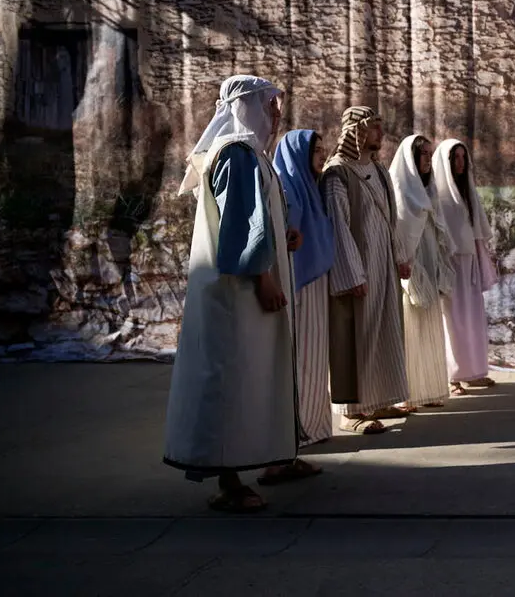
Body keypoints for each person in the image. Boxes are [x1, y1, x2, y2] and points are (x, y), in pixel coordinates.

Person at [164, 75, 319, 513]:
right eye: (270, 104)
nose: (277, 112)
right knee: (232, 377)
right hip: (238, 295)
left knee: (257, 376)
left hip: (251, 290)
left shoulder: (254, 156)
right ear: (247, 105)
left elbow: (258, 218)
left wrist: (281, 235)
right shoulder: (237, 154)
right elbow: (237, 229)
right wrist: (264, 277)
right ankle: (228, 481)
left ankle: (272, 457)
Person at [322, 107, 410, 434]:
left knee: (384, 331)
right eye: (374, 128)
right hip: (358, 270)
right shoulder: (337, 173)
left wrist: (399, 255)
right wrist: (352, 274)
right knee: (357, 336)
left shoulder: (378, 169)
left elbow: (392, 218)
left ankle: (377, 398)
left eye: (380, 127)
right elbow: (338, 227)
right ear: (356, 131)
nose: (380, 134)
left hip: (383, 264)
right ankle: (352, 412)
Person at [273, 129, 336, 448]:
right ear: (298, 155)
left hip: (314, 282)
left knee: (314, 358)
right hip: (298, 287)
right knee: (303, 359)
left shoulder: (311, 189)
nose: (323, 155)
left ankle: (315, 424)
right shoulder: (286, 188)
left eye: (324, 150)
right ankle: (301, 428)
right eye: (316, 151)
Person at [390, 135, 456, 408]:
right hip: (410, 266)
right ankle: (406, 394)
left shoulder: (429, 191)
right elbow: (401, 231)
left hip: (429, 261)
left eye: (431, 153)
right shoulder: (400, 189)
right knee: (411, 327)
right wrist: (406, 261)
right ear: (411, 158)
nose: (429, 159)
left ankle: (429, 389)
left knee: (430, 324)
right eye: (424, 154)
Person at [432, 138, 498, 395]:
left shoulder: (467, 192)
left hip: (468, 264)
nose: (460, 163)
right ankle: (452, 378)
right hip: (450, 265)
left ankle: (472, 371)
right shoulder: (437, 195)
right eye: (454, 158)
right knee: (452, 320)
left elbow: (476, 230)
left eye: (462, 157)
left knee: (472, 320)